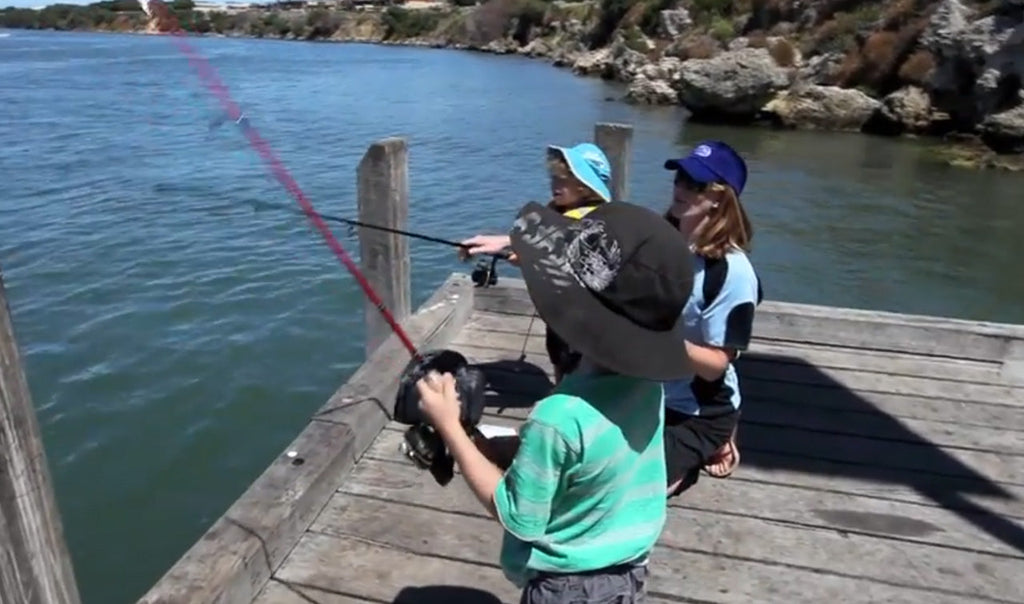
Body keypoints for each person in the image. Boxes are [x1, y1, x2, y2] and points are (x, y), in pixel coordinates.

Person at [416, 200, 695, 603]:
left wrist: (449, 427)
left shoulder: (557, 416)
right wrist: (501, 448)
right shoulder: (648, 387)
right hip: (627, 574)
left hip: (564, 588)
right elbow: (598, 457)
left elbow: (517, 516)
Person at [459, 142, 614, 383]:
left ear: (585, 186)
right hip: (558, 312)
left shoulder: (595, 219)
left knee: (577, 363)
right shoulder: (559, 211)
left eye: (563, 179)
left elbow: (562, 245)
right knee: (558, 354)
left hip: (582, 317)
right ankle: (559, 389)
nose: (555, 185)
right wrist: (509, 250)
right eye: (553, 178)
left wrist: (512, 248)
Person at [660, 140, 763, 495]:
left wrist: (658, 340)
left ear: (720, 197)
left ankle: (710, 443)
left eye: (696, 184)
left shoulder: (732, 273)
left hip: (698, 411)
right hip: (646, 390)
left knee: (634, 488)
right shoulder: (659, 243)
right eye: (681, 178)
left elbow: (716, 365)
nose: (682, 188)